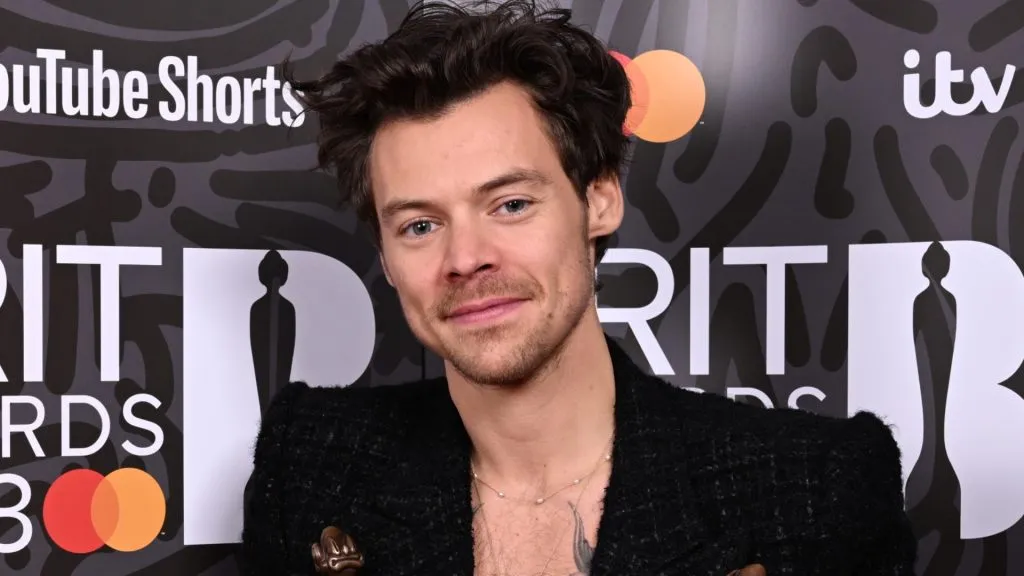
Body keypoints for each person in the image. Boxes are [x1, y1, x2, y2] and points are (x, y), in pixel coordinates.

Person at [240, 1, 918, 574]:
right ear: (386, 256)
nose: (466, 258)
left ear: (598, 200)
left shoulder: (810, 487)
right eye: (420, 224)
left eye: (510, 205)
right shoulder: (313, 460)